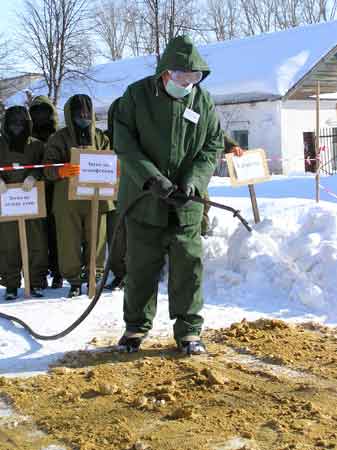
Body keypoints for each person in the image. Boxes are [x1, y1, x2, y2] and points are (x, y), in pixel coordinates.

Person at [114, 35, 224, 355]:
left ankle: (189, 331)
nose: (187, 83)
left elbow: (211, 147)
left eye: (194, 77)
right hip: (144, 200)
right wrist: (153, 180)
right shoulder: (135, 97)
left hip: (186, 205)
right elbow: (125, 144)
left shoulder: (202, 102)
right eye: (180, 76)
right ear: (164, 72)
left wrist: (192, 182)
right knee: (141, 267)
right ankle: (135, 327)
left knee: (188, 266)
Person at [43, 94, 114, 298]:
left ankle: (94, 276)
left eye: (86, 113)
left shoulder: (101, 138)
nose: (83, 117)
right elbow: (46, 168)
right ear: (70, 114)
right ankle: (74, 281)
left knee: (97, 241)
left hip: (96, 199)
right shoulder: (59, 138)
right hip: (67, 201)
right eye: (79, 113)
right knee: (68, 242)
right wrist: (60, 171)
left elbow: (110, 161)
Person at [0, 106, 48, 300]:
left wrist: (34, 176)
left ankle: (35, 282)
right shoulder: (0, 144)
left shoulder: (36, 145)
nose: (17, 127)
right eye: (13, 123)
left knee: (36, 242)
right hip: (7, 201)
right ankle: (11, 284)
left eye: (21, 123)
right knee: (8, 244)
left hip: (32, 200)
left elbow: (45, 166)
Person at [29, 95, 63, 289]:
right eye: (36, 112)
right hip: (32, 193)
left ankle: (58, 273)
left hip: (56, 192)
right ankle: (38, 276)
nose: (40, 116)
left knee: (57, 234)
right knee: (38, 237)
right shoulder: (27, 140)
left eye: (44, 111)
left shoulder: (58, 135)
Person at [201, 133, 244, 236]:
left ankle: (202, 232)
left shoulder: (202, 118)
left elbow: (215, 131)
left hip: (197, 170)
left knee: (204, 202)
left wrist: (231, 146)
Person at [104, 98, 126, 291]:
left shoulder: (142, 136)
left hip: (139, 193)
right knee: (116, 237)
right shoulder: (105, 139)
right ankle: (120, 273)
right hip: (112, 195)